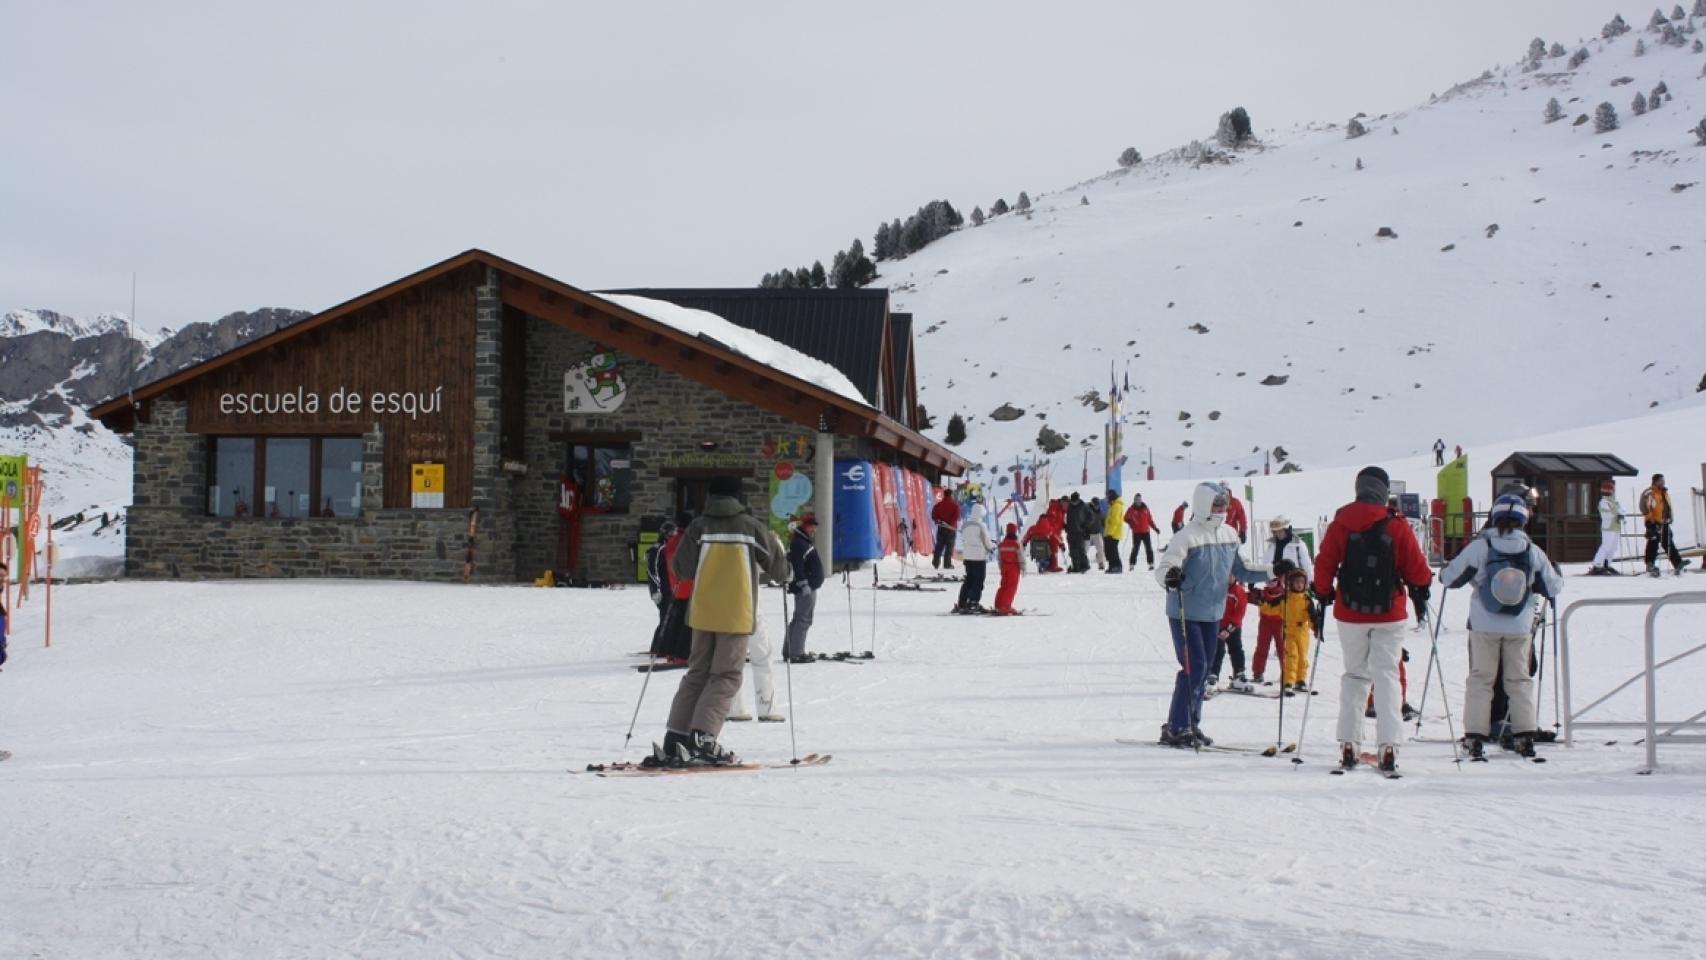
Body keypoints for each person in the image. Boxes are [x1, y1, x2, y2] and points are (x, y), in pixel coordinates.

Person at [653, 476, 790, 766]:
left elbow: (682, 568)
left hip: (702, 613)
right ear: (738, 497)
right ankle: (703, 738)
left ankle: (676, 736)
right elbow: (778, 568)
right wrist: (784, 566)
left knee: (697, 672)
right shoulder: (751, 527)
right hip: (735, 613)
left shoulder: (698, 526)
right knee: (726, 676)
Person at [1312, 466, 1433, 775]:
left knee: (1354, 675)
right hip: (1389, 612)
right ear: (1383, 490)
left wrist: (1323, 593)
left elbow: (1324, 563)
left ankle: (1349, 744)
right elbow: (1419, 571)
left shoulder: (1340, 523)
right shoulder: (1395, 524)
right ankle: (1388, 745)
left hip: (1349, 612)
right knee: (1387, 675)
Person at [1439, 494, 1564, 759]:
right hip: (1520, 625)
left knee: (1481, 679)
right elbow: (1553, 586)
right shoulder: (1531, 550)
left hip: (1484, 624)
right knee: (1519, 680)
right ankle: (1524, 735)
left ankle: (1475, 736)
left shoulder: (1482, 546)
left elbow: (1449, 578)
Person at [1153, 482, 1270, 748]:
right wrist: (1170, 577)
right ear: (1203, 505)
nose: (1222, 510)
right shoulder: (1187, 536)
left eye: (1225, 505)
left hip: (1213, 612)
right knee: (1193, 666)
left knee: (1204, 670)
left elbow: (1243, 570)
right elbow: (1166, 567)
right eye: (1217, 505)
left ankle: (1190, 723)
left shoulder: (1229, 534)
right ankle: (1177, 726)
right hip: (1186, 611)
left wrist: (1274, 571)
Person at [649, 514, 694, 664]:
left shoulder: (671, 543)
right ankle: (677, 652)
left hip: (674, 586)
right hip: (682, 586)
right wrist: (656, 589)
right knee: (682, 621)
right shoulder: (685, 541)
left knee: (672, 620)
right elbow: (653, 569)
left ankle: (668, 649)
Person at [726, 606, 782, 723]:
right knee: (762, 656)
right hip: (749, 605)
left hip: (732, 607)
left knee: (734, 656)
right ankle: (766, 707)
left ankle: (735, 707)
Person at [784, 514, 824, 661]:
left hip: (809, 585)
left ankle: (790, 650)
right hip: (805, 588)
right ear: (806, 526)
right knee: (803, 619)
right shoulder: (799, 543)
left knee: (799, 618)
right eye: (812, 526)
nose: (814, 530)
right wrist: (803, 583)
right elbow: (798, 565)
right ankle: (796, 653)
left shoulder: (803, 541)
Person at [1208, 574, 1252, 693]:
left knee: (1236, 649)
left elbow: (1239, 613)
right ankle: (1213, 675)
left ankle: (1239, 674)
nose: (1228, 577)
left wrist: (1229, 629)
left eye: (1231, 575)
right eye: (1226, 574)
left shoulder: (1238, 591)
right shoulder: (1216, 589)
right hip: (1217, 626)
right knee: (1217, 651)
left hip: (1233, 628)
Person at [1251, 559, 1291, 686]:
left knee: (1282, 648)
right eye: (1268, 581)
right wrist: (1250, 588)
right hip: (1265, 623)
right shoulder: (1262, 593)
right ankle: (1258, 672)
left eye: (1273, 580)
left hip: (1280, 622)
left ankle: (1287, 672)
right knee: (1262, 647)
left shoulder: (1284, 593)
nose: (1270, 583)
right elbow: (1245, 597)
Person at [1639, 473, 1689, 576]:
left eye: (1663, 480)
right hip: (1653, 521)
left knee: (1668, 542)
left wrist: (1670, 517)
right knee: (1653, 541)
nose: (1663, 482)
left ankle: (1677, 562)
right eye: (1661, 480)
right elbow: (1644, 506)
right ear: (1655, 481)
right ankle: (1650, 564)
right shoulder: (1650, 492)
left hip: (1664, 521)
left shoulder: (1664, 492)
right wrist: (1650, 518)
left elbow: (1666, 506)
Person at [1278, 567, 1315, 696]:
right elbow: (1272, 606)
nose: (1299, 585)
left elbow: (1312, 616)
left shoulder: (1307, 600)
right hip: (1290, 632)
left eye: (1302, 582)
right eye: (1296, 582)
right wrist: (1259, 600)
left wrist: (1316, 627)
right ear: (1291, 583)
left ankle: (1301, 680)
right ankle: (1289, 681)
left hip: (1303, 632)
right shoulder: (1285, 599)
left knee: (1302, 657)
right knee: (1292, 656)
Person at [955, 502, 994, 613]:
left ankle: (962, 601)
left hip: (967, 556)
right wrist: (991, 547)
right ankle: (973, 601)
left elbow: (963, 539)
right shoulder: (981, 526)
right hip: (979, 557)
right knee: (979, 580)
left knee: (969, 579)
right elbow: (986, 542)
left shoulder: (965, 525)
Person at [1589, 479, 1623, 576]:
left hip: (1615, 526)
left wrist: (1621, 514)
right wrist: (1618, 514)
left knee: (1613, 547)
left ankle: (1607, 563)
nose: (1613, 491)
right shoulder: (1603, 502)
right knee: (1606, 545)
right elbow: (1607, 514)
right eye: (1611, 490)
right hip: (1608, 527)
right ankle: (1597, 564)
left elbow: (1621, 510)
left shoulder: (1614, 501)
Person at [993, 523, 1024, 615]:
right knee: (1011, 587)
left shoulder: (1002, 544)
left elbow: (999, 558)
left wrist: (1001, 568)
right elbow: (1021, 557)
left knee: (1003, 586)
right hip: (1014, 567)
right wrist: (1023, 568)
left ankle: (998, 604)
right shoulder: (1017, 544)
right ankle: (1006, 606)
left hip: (1005, 567)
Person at [1124, 494, 1158, 570]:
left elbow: (1149, 520)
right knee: (1135, 548)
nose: (1138, 501)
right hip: (1136, 532)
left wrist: (1155, 528)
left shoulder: (1145, 508)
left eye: (1139, 499)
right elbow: (1125, 518)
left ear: (1141, 500)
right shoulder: (1131, 509)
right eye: (1136, 500)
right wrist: (1130, 522)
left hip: (1146, 531)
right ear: (1134, 500)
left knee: (1149, 548)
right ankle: (1132, 565)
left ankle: (1151, 564)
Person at [931, 488, 961, 570]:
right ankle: (947, 564)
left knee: (939, 546)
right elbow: (956, 517)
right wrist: (950, 525)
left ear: (944, 494)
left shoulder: (938, 505)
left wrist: (940, 522)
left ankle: (935, 563)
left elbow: (934, 516)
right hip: (951, 529)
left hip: (941, 528)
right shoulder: (955, 506)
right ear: (951, 495)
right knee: (949, 548)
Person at [1065, 493, 1091, 573]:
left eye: (1074, 501)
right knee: (1072, 550)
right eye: (1072, 501)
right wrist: (1066, 526)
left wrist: (1085, 526)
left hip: (1080, 531)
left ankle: (1085, 565)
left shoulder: (1084, 506)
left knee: (1080, 549)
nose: (1073, 503)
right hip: (1071, 531)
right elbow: (1068, 518)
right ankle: (1076, 566)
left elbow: (1090, 517)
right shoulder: (1070, 507)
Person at [1102, 490, 1126, 573]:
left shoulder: (1116, 506)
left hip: (1113, 533)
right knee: (1109, 550)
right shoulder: (1113, 505)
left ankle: (1117, 566)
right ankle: (1112, 566)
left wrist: (1110, 533)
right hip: (1110, 532)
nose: (1106, 498)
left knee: (1112, 550)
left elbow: (1115, 521)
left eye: (1107, 496)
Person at [1087, 497, 1107, 570]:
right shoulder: (1088, 510)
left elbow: (1103, 520)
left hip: (1097, 533)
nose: (1096, 506)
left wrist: (1105, 525)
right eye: (1095, 504)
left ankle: (1101, 563)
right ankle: (1082, 562)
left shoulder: (1100, 512)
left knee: (1101, 548)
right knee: (1085, 549)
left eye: (1097, 504)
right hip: (1088, 533)